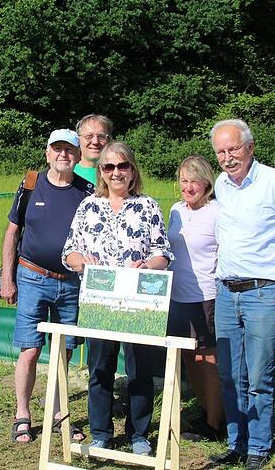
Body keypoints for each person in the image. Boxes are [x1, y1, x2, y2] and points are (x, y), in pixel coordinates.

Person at [209, 119, 275, 470]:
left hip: (266, 292)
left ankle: (258, 446)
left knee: (258, 375)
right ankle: (236, 443)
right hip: (226, 291)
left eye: (233, 149)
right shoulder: (221, 184)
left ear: (250, 147)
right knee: (229, 374)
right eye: (221, 152)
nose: (227, 157)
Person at [62, 141, 173, 456]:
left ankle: (139, 434)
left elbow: (163, 253)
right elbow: (69, 251)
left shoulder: (148, 206)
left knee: (140, 370)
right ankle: (101, 433)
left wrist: (148, 265)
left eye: (122, 165)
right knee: (100, 369)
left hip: (139, 302)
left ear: (132, 170)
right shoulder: (88, 206)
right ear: (101, 171)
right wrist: (81, 262)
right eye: (109, 167)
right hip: (100, 301)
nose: (116, 172)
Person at [1, 128, 94, 444]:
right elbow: (12, 232)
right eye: (57, 149)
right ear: (47, 153)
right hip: (32, 277)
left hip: (71, 283)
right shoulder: (30, 183)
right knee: (30, 350)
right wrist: (8, 278)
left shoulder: (88, 191)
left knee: (63, 352)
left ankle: (57, 414)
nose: (63, 154)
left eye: (69, 150)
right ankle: (22, 414)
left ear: (78, 156)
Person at [165, 155, 223, 441]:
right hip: (176, 296)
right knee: (188, 356)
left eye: (194, 182)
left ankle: (215, 422)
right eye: (183, 181)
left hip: (206, 295)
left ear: (207, 184)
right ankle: (204, 410)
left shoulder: (216, 212)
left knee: (206, 358)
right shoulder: (176, 210)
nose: (188, 187)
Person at [73, 114, 113, 184]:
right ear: (78, 140)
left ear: (108, 140)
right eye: (89, 136)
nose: (95, 142)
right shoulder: (67, 172)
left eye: (101, 136)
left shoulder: (117, 173)